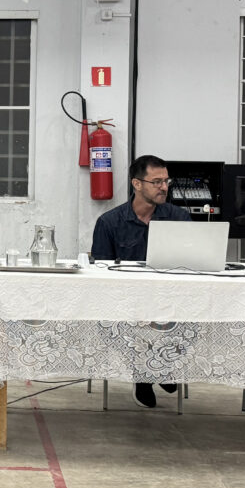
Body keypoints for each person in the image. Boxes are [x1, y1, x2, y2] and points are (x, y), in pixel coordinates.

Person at [90, 154, 191, 409]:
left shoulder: (179, 218)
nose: (164, 187)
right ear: (137, 184)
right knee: (139, 320)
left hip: (169, 300)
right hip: (127, 301)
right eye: (156, 181)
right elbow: (101, 273)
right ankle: (149, 374)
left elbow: (192, 265)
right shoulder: (109, 222)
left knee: (195, 316)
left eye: (166, 181)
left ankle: (159, 367)